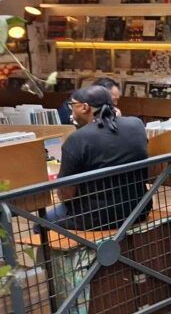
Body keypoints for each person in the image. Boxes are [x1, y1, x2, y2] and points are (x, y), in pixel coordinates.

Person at [44, 85, 150, 231]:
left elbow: (66, 194)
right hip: (140, 208)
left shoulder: (78, 138)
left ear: (84, 107)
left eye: (72, 105)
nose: (71, 111)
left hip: (96, 218)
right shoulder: (136, 125)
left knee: (41, 222)